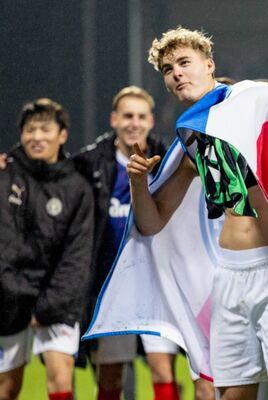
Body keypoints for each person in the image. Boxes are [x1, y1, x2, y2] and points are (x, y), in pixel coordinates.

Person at [123, 27, 268, 400]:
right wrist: (138, 183)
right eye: (167, 69)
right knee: (228, 396)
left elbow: (266, 97)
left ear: (209, 65)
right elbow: (152, 222)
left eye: (184, 63)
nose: (176, 73)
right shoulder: (191, 144)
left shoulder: (252, 100)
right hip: (229, 275)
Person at [72, 86, 214, 400]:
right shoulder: (90, 163)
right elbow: (56, 179)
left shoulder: (168, 157)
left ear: (150, 120)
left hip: (158, 281)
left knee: (162, 370)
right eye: (127, 116)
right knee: (110, 375)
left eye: (140, 116)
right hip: (114, 282)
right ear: (114, 119)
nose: (133, 123)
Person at [0, 98, 94, 400]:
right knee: (7, 387)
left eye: (44, 129)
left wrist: (49, 306)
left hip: (56, 300)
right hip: (7, 297)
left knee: (60, 378)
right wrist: (14, 294)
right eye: (29, 130)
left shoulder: (77, 187)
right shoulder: (4, 176)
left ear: (62, 135)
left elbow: (77, 256)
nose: (36, 137)